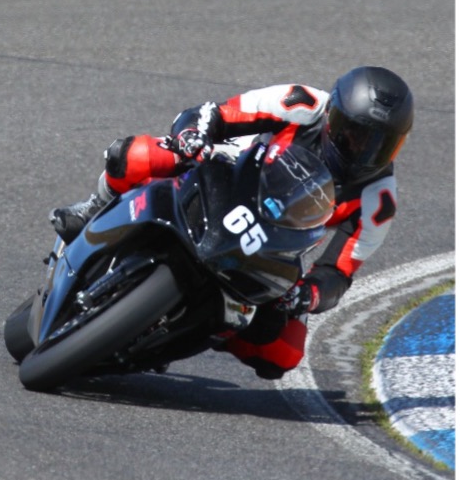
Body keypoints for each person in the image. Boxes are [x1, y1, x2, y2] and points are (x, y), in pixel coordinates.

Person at [49, 66, 414, 380]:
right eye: (352, 134)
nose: (360, 150)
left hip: (272, 244)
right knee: (137, 155)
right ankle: (94, 207)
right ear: (333, 113)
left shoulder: (378, 198)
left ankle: (207, 328)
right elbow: (216, 114)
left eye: (378, 146)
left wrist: (309, 295)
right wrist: (192, 136)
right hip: (223, 175)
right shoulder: (300, 103)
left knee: (284, 353)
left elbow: (338, 272)